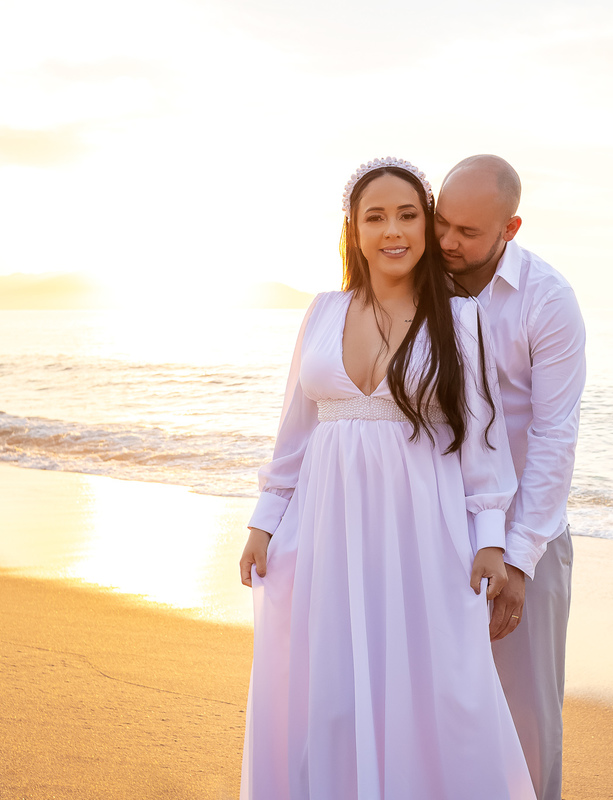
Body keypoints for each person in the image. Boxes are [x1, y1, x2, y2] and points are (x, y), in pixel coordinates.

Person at [237, 157, 536, 799]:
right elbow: (293, 433)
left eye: (407, 215)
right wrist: (264, 522)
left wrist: (492, 539)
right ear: (354, 231)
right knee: (330, 690)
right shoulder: (321, 312)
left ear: (427, 229)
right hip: (326, 531)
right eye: (375, 217)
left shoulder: (458, 320)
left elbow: (483, 443)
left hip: (421, 534)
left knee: (435, 689)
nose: (392, 230)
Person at [435, 155, 587, 800]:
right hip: (435, 528)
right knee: (438, 710)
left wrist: (520, 562)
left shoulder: (547, 301)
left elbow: (555, 439)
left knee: (526, 718)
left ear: (510, 227)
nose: (447, 242)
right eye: (442, 222)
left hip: (528, 536)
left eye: (468, 232)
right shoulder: (420, 284)